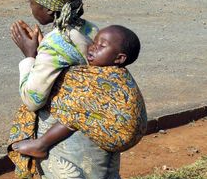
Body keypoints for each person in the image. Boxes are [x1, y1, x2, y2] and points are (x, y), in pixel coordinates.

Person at [9, 0, 193, 179]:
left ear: (47, 8)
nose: (30, 7)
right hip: (100, 129)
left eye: (32, 2)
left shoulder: (55, 44)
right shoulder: (92, 30)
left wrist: (30, 57)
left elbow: (32, 97)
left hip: (70, 138)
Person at [11, 25, 147, 158]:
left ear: (119, 58)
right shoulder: (113, 72)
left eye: (102, 46)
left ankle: (41, 145)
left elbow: (37, 97)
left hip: (118, 134)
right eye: (94, 42)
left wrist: (33, 56)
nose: (93, 48)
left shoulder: (103, 78)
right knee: (82, 103)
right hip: (132, 132)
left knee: (75, 106)